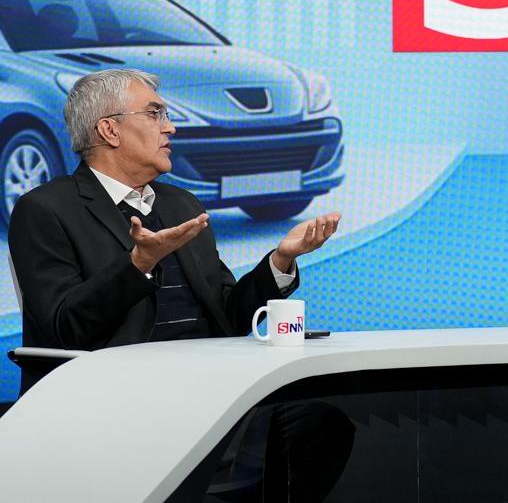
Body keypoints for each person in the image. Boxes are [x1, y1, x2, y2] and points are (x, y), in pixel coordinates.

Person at [8, 68, 352, 501]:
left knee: (319, 425)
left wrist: (281, 259)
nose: (170, 127)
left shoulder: (180, 204)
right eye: (155, 114)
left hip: (207, 391)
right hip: (116, 399)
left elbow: (228, 315)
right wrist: (139, 265)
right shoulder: (46, 209)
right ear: (109, 130)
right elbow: (66, 326)